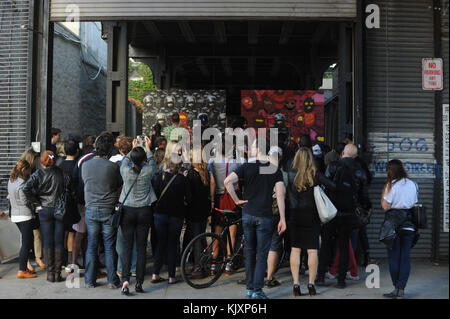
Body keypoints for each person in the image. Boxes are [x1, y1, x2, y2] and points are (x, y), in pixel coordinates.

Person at [224, 140, 287, 299]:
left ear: (258, 149)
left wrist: (237, 200)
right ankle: (257, 290)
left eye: (252, 147)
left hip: (248, 214)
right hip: (264, 216)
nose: (250, 149)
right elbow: (280, 195)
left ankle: (250, 289)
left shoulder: (246, 167)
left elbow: (227, 182)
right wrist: (283, 218)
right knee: (261, 254)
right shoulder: (274, 170)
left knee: (250, 252)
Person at [316, 143, 371, 289]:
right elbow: (364, 196)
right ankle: (341, 280)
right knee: (344, 245)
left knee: (326, 244)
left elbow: (324, 188)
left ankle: (321, 277)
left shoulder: (333, 166)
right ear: (355, 156)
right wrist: (364, 209)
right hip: (349, 212)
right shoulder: (360, 171)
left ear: (343, 153)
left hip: (332, 211)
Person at [286, 147, 335, 296]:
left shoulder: (290, 174)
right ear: (310, 159)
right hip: (312, 216)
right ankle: (311, 285)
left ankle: (295, 285)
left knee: (295, 249)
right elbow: (333, 185)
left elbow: (287, 194)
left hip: (294, 216)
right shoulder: (315, 174)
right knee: (312, 250)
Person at [82, 134, 123, 289]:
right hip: (108, 209)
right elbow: (118, 183)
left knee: (92, 245)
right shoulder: (112, 167)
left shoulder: (85, 165)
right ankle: (112, 280)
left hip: (91, 209)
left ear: (96, 147)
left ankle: (89, 280)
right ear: (109, 150)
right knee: (109, 246)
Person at [22, 151, 69, 283]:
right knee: (59, 241)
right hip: (59, 209)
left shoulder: (38, 174)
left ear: (42, 161)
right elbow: (69, 188)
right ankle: (57, 273)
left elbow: (26, 188)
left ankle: (50, 273)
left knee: (47, 241)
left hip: (44, 209)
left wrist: (37, 204)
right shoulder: (61, 173)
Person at [119, 136, 157, 295]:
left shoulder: (126, 171)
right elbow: (152, 161)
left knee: (127, 247)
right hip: (144, 211)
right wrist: (147, 148)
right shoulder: (148, 171)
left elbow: (124, 162)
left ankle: (125, 280)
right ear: (143, 160)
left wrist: (131, 150)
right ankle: (139, 282)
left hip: (127, 210)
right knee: (141, 248)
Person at [381, 159, 418, 299]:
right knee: (405, 257)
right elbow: (414, 203)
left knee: (394, 257)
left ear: (390, 171)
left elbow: (385, 206)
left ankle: (396, 287)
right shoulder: (413, 184)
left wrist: (384, 191)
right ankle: (401, 289)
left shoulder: (391, 185)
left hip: (393, 226)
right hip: (409, 226)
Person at [208, 135, 244, 275]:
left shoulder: (212, 162)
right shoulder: (236, 163)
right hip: (233, 198)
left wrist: (211, 201)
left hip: (218, 198)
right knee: (232, 231)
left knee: (217, 231)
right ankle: (229, 263)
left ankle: (213, 263)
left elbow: (212, 182)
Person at [151, 155, 187, 284]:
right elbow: (187, 197)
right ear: (180, 165)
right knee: (172, 244)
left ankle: (155, 273)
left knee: (160, 243)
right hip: (176, 215)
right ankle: (171, 276)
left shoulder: (160, 177)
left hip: (161, 214)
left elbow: (154, 194)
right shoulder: (182, 179)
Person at [184, 147, 211, 278]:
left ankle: (198, 267)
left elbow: (188, 197)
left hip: (193, 211)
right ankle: (205, 262)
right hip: (203, 210)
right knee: (201, 237)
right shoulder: (206, 173)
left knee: (196, 239)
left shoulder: (191, 174)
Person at [7, 159, 37, 279]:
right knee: (26, 243)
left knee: (27, 241)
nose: (30, 172)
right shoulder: (22, 183)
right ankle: (22, 269)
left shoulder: (11, 181)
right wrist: (34, 205)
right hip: (25, 215)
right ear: (24, 169)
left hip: (15, 215)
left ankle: (24, 268)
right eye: (29, 169)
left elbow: (9, 197)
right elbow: (25, 200)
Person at [265, 146, 288, 289]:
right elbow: (284, 195)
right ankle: (269, 277)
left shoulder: (259, 172)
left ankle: (255, 274)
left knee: (260, 245)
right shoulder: (283, 175)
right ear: (280, 158)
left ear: (268, 157)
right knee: (274, 245)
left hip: (260, 213)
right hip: (276, 213)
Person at [19, 148, 45, 270]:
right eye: (35, 159)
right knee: (27, 237)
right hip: (25, 209)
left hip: (32, 206)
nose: (36, 162)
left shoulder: (32, 170)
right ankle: (28, 261)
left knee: (36, 233)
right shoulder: (21, 171)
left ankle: (38, 257)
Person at [57, 140, 81, 272]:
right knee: (72, 232)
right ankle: (72, 262)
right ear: (77, 151)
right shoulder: (78, 166)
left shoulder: (59, 165)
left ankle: (62, 260)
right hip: (72, 203)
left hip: (61, 203)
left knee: (63, 232)